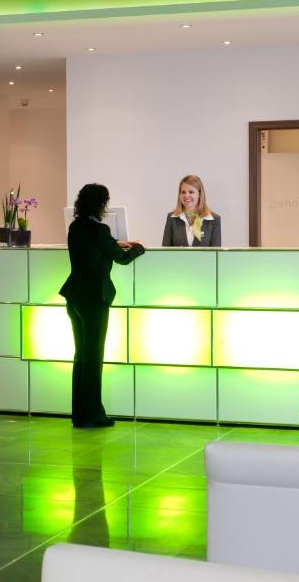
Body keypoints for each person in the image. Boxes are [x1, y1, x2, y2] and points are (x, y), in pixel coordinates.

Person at [60, 183, 145, 428]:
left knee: (81, 356)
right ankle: (94, 415)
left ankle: (80, 415)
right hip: (95, 299)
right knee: (94, 356)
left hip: (74, 296)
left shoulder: (75, 227)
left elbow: (96, 248)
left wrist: (116, 242)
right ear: (101, 205)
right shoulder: (100, 230)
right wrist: (137, 247)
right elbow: (122, 259)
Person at [161, 174, 222, 247]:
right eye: (183, 192)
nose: (186, 196)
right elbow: (165, 251)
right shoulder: (172, 218)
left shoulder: (213, 219)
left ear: (200, 194)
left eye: (191, 192)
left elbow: (215, 254)